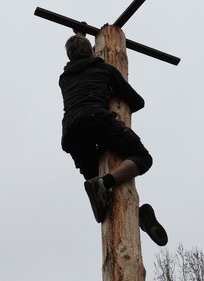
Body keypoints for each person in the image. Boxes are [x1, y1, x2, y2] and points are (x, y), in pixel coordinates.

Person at [59, 33, 168, 246]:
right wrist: (112, 92)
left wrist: (79, 35)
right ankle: (104, 182)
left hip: (71, 133)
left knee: (103, 200)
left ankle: (136, 216)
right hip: (97, 119)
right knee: (143, 159)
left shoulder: (64, 78)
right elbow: (137, 102)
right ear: (91, 50)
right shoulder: (104, 69)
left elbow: (79, 64)